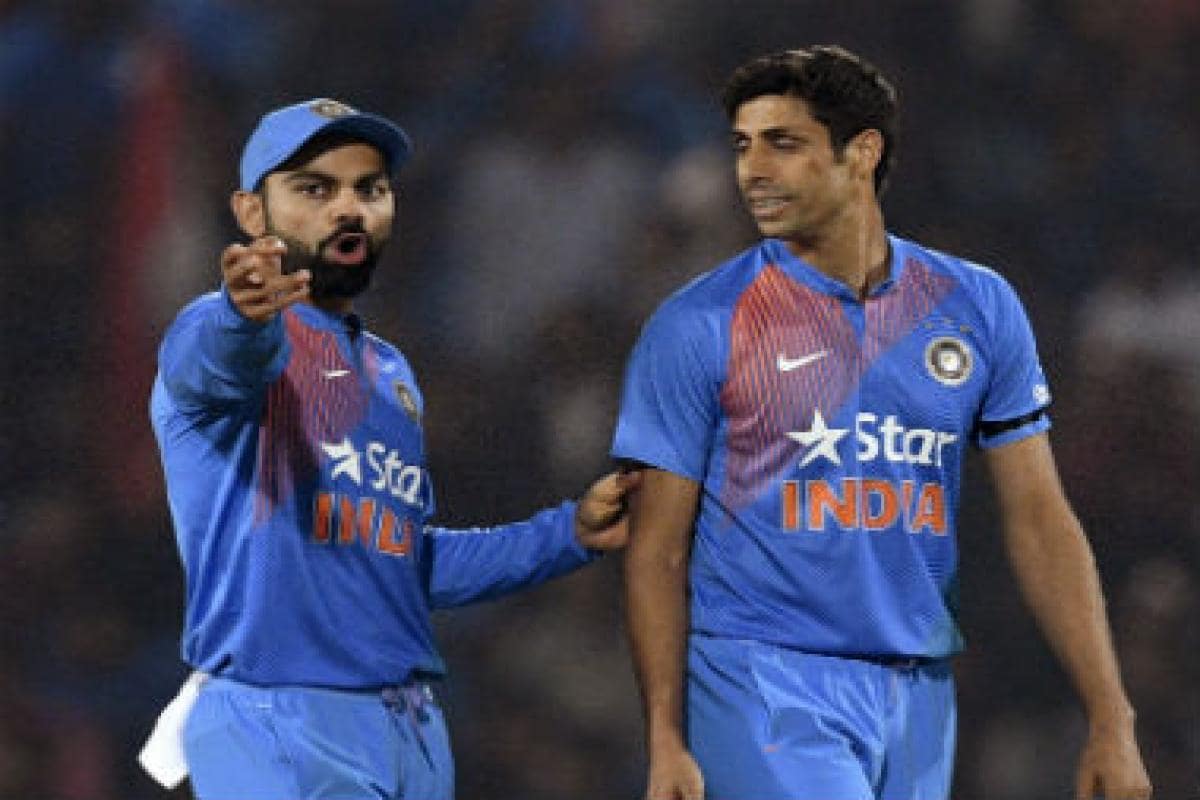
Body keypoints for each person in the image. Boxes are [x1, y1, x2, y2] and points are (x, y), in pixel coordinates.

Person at [613, 46, 1152, 800]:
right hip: (761, 679)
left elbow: (1039, 517)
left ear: (862, 152)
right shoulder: (699, 324)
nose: (753, 170)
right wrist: (666, 738)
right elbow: (658, 550)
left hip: (918, 694)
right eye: (743, 146)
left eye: (783, 143)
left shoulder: (976, 305)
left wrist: (1110, 715)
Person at [140, 98, 638, 800]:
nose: (349, 208)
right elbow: (215, 361)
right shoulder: (219, 334)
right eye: (315, 188)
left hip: (407, 727)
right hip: (285, 718)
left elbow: (399, 562)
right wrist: (240, 313)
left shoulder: (389, 372)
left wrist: (569, 533)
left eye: (368, 189)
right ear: (252, 213)